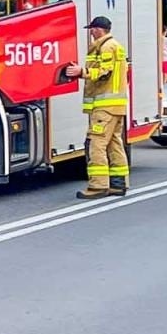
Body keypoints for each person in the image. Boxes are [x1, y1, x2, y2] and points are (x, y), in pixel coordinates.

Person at [64, 15, 129, 199]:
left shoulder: (106, 46)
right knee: (114, 144)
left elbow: (104, 73)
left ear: (98, 29)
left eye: (92, 29)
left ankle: (98, 186)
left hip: (105, 107)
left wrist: (81, 72)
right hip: (115, 107)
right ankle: (118, 184)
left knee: (96, 144)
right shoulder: (115, 46)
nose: (91, 32)